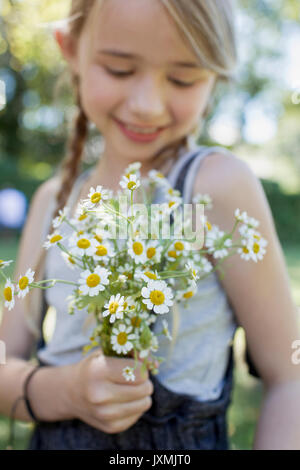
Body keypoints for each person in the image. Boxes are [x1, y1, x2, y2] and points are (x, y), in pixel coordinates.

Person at [1, 0, 300, 451]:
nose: (147, 105)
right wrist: (69, 392)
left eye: (182, 78)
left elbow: (291, 375)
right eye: (119, 70)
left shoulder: (214, 186)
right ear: (70, 49)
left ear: (215, 76)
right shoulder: (53, 202)